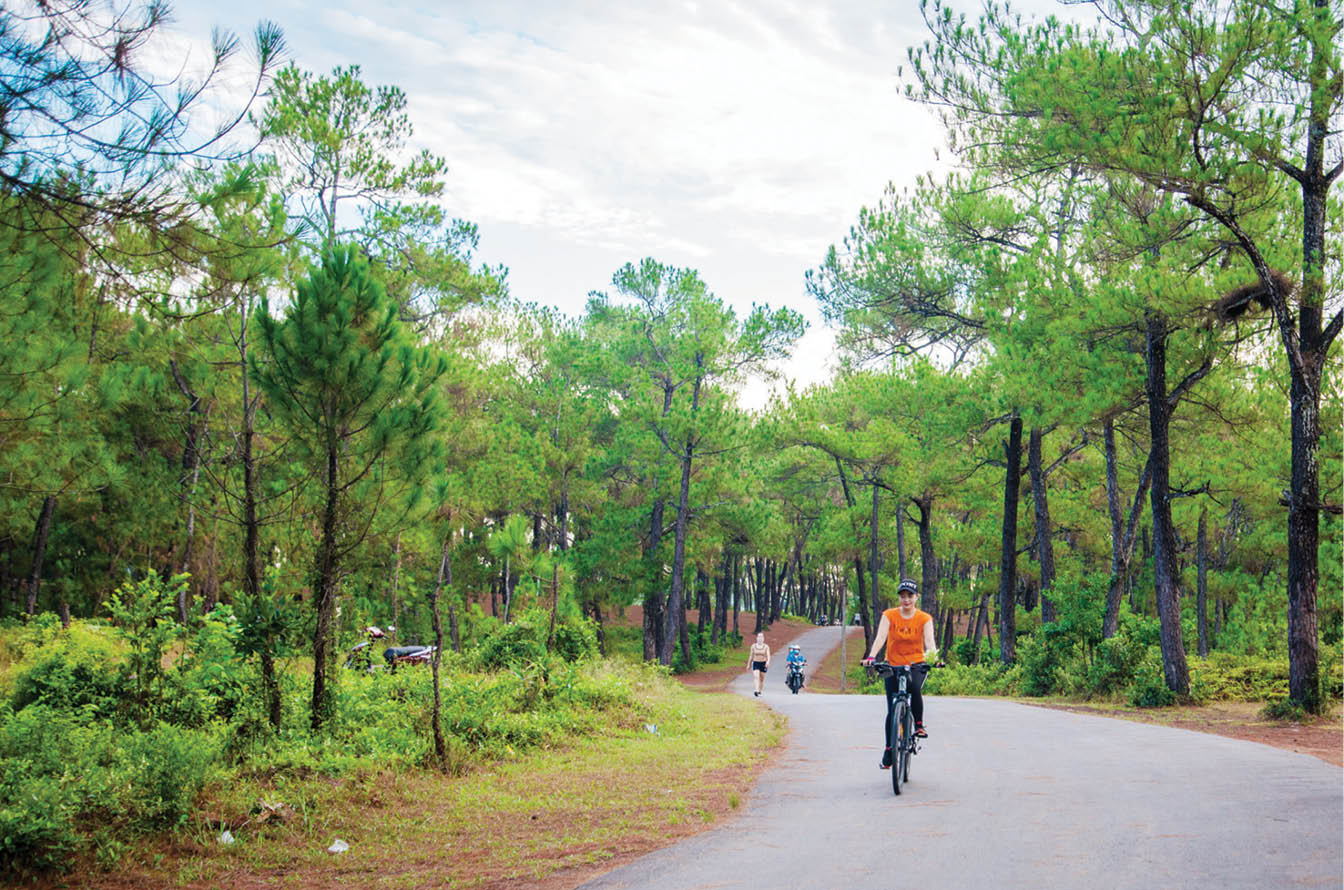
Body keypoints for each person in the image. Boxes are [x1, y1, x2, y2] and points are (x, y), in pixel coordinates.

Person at [861, 577, 937, 770]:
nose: (906, 599)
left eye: (910, 595)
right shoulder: (889, 615)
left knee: (914, 687)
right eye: (903, 596)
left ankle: (918, 724)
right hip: (893, 664)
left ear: (916, 597)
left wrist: (932, 658)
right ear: (899, 598)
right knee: (891, 709)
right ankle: (889, 750)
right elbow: (881, 637)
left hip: (916, 664)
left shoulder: (924, 618)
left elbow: (929, 642)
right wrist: (871, 656)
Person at [747, 632, 770, 697]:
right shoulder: (753, 646)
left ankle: (760, 691)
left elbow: (768, 655)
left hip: (763, 663)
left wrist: (768, 662)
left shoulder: (766, 646)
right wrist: (748, 664)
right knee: (756, 677)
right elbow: (751, 656)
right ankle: (756, 690)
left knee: (762, 679)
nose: (760, 638)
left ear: (763, 638)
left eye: (761, 637)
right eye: (759, 637)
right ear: (756, 638)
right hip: (756, 662)